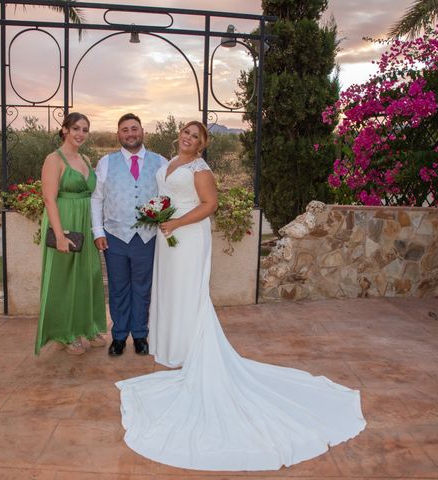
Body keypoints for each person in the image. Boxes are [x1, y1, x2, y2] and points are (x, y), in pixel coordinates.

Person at [116, 121, 366, 471]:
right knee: (170, 291)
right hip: (168, 235)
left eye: (195, 137)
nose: (188, 138)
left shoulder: (199, 169)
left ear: (201, 145)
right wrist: (162, 217)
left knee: (189, 292)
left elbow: (210, 205)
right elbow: (166, 196)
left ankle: (190, 348)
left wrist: (176, 223)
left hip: (187, 236)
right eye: (186, 133)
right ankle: (172, 347)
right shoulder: (170, 161)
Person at [91, 113, 168, 356]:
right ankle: (119, 336)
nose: (130, 133)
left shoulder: (160, 162)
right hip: (114, 235)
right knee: (118, 286)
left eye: (134, 128)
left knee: (143, 287)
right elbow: (97, 199)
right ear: (118, 135)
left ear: (142, 131)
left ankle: (140, 334)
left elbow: (167, 197)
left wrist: (159, 215)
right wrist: (97, 231)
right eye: (125, 130)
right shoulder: (105, 163)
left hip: (147, 236)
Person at [35, 112, 107, 355]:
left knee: (88, 275)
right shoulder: (53, 159)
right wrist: (60, 235)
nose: (80, 134)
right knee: (64, 279)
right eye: (76, 128)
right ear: (64, 129)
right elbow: (49, 198)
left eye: (85, 129)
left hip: (85, 221)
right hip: (64, 221)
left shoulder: (85, 158)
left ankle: (87, 327)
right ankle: (64, 333)